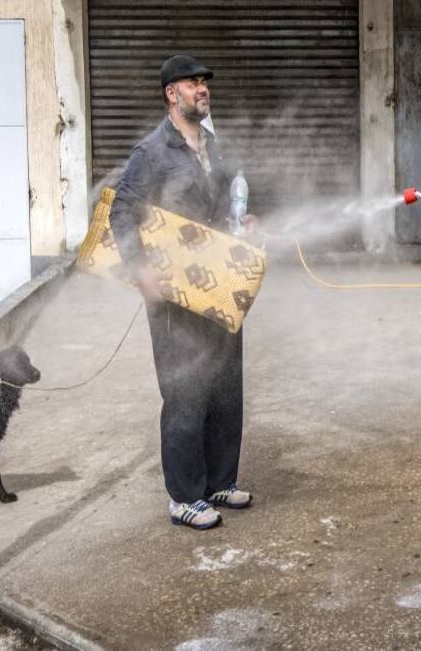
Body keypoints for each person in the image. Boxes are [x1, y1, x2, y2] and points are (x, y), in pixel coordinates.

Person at [109, 55, 257, 530]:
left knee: (225, 387)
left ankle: (218, 482)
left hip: (219, 281)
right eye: (194, 83)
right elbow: (120, 214)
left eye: (204, 83)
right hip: (174, 291)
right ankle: (184, 496)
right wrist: (139, 269)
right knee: (186, 391)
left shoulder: (212, 145)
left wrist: (243, 225)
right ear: (172, 94)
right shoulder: (151, 152)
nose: (202, 89)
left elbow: (227, 205)